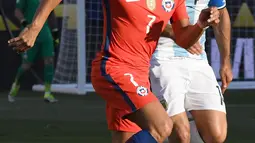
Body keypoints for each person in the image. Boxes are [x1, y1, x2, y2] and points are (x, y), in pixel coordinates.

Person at [8, 0, 220, 142]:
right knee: (163, 126)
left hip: (139, 77)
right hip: (113, 68)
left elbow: (183, 38)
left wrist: (200, 25)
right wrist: (35, 27)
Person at [150, 0, 233, 143]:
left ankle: (184, 116)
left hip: (197, 59)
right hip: (161, 58)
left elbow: (222, 12)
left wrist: (225, 61)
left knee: (216, 135)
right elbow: (141, 17)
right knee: (181, 135)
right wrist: (179, 35)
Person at [8, 0, 59, 103]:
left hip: (45, 32)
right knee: (26, 65)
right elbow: (17, 11)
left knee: (49, 60)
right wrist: (24, 22)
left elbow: (50, 11)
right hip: (29, 33)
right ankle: (15, 86)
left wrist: (55, 31)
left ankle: (48, 93)